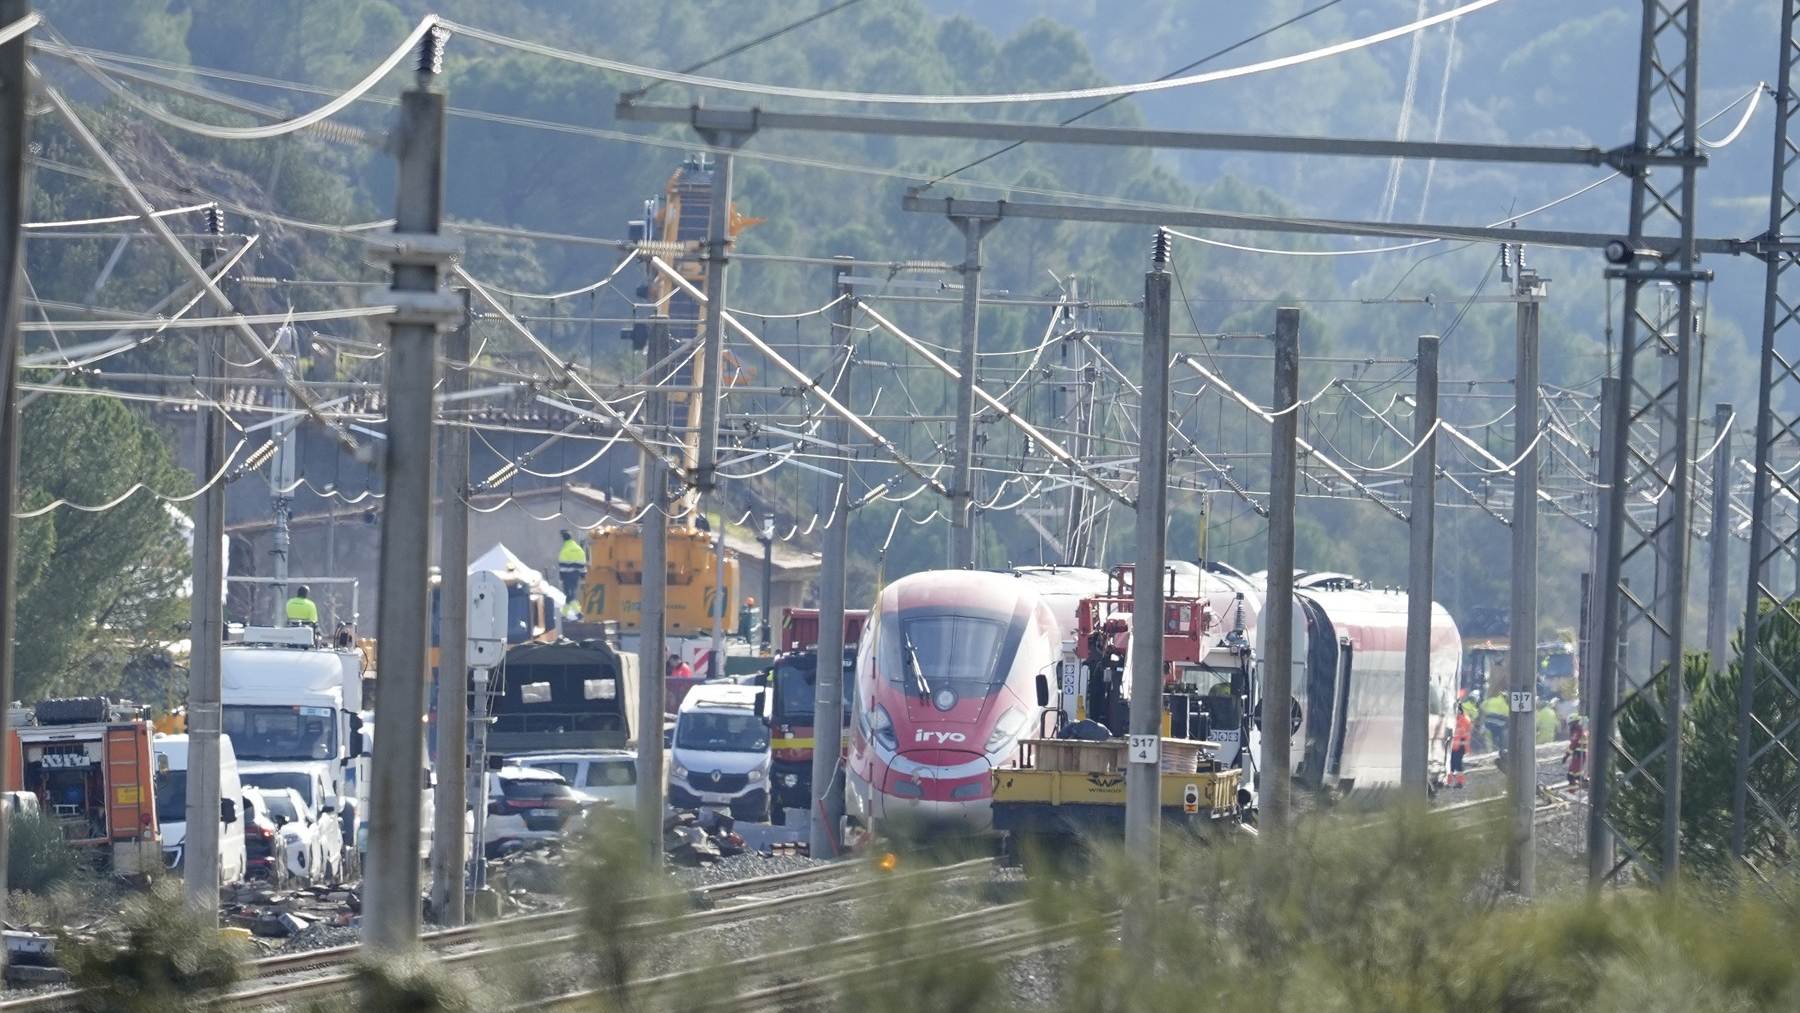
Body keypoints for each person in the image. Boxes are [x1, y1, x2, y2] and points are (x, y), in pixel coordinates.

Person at [556, 530, 587, 619]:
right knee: (570, 594)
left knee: (570, 595)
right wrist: (583, 574)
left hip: (567, 576)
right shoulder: (578, 549)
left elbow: (562, 566)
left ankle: (578, 613)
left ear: (564, 539)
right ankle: (564, 614)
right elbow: (582, 562)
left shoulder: (565, 550)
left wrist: (561, 577)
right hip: (576, 575)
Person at [1480, 688, 1509, 764]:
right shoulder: (1505, 704)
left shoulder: (1491, 700)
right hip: (1500, 725)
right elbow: (1507, 716)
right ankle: (1501, 750)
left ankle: (1489, 752)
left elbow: (1482, 706)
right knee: (1502, 737)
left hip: (1488, 722)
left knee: (1489, 739)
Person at [1450, 706, 1473, 789]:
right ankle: (1452, 781)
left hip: (1459, 746)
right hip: (1456, 746)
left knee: (1457, 764)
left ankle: (1459, 782)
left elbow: (1461, 733)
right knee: (1453, 764)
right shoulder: (1462, 719)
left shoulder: (1462, 720)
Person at [1564, 715, 1587, 787]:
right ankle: (1573, 789)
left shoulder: (1577, 731)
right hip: (1578, 755)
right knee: (1571, 774)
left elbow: (1573, 744)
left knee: (1574, 775)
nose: (1570, 726)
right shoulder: (1579, 730)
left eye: (1571, 724)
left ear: (1574, 723)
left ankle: (1578, 789)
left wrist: (1566, 756)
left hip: (1579, 755)